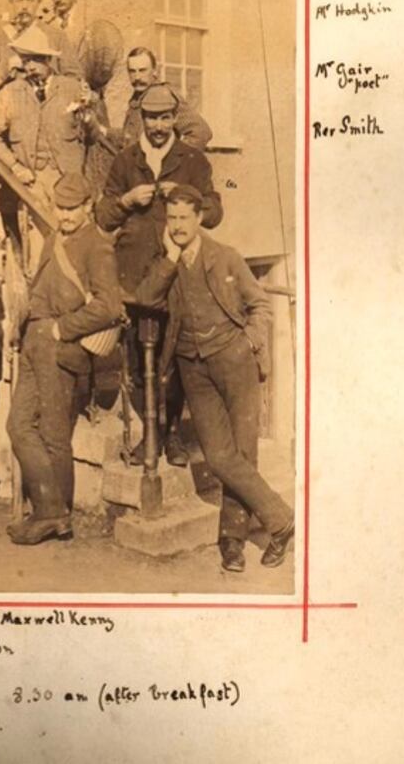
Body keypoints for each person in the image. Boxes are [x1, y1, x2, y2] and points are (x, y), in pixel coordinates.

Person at [134, 185, 294, 572]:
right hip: (193, 367)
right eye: (171, 218)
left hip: (234, 361)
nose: (177, 226)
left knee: (243, 452)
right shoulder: (167, 262)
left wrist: (248, 342)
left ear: (200, 218)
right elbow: (145, 298)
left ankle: (232, 542)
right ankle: (281, 519)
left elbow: (259, 305)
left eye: (184, 218)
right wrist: (170, 260)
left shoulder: (226, 257)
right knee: (220, 457)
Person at [95, 84, 222, 466]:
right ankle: (149, 433)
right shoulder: (125, 161)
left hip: (179, 276)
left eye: (165, 118)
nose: (158, 126)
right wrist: (125, 201)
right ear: (142, 119)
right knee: (138, 361)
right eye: (151, 118)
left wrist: (184, 195)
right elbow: (103, 217)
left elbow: (214, 213)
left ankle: (171, 435)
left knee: (177, 358)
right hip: (135, 279)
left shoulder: (193, 161)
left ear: (175, 119)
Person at [6, 173, 122, 545]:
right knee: (18, 426)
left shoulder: (97, 246)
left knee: (55, 435)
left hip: (60, 346)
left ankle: (53, 515)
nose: (65, 215)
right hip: (34, 340)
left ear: (88, 206)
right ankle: (52, 510)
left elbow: (109, 306)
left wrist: (63, 328)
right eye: (60, 207)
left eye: (73, 208)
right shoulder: (55, 237)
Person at [0, 26, 94, 207]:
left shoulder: (72, 88)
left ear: (48, 59)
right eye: (26, 61)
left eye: (36, 59)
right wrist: (14, 166)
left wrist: (89, 117)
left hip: (68, 181)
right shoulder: (9, 93)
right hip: (31, 183)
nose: (31, 66)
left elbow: (92, 136)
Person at [120, 47, 212, 151]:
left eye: (142, 70)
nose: (137, 77)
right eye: (132, 71)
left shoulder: (165, 95)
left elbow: (201, 132)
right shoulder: (137, 97)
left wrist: (176, 158)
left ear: (154, 71)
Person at [3, 0, 81, 78]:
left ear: (39, 2)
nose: (24, 6)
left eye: (30, 0)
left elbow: (74, 76)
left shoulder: (56, 36)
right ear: (11, 2)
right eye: (19, 0)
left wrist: (49, 75)